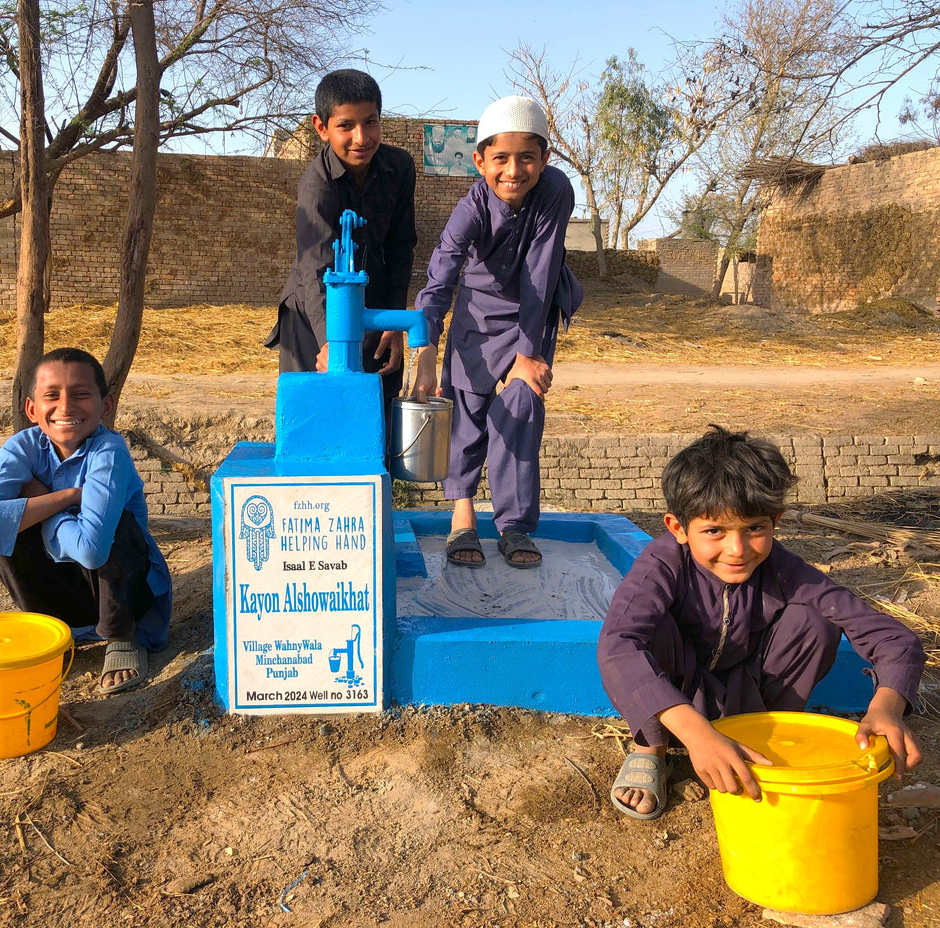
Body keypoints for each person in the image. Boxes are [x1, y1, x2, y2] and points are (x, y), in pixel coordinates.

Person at [597, 425, 925, 820]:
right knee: (647, 630)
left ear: (776, 521)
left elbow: (894, 639)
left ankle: (768, 735)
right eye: (714, 531)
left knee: (814, 620)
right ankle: (651, 749)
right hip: (679, 698)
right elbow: (618, 646)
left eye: (755, 528)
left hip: (748, 698)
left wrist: (887, 706)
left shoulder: (783, 569)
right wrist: (697, 734)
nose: (737, 550)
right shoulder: (663, 564)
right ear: (678, 528)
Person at [412, 95, 583, 570]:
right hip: (476, 319)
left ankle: (514, 525)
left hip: (533, 312)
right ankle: (462, 516)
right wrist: (424, 343)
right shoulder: (470, 207)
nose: (514, 170)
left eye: (527, 157)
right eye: (501, 159)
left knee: (520, 408)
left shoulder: (556, 192)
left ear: (545, 158)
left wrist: (528, 354)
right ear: (480, 162)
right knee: (466, 411)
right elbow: (441, 274)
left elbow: (541, 273)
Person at [0, 348, 172, 696]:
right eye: (51, 395)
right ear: (32, 409)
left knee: (113, 523)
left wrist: (45, 509)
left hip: (125, 592)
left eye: (80, 394)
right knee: (1, 529)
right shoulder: (23, 447)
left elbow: (91, 550)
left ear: (105, 406)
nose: (66, 406)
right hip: (69, 587)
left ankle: (122, 636)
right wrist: (69, 497)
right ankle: (55, 629)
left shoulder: (108, 451)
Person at [266, 68, 417, 412]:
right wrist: (329, 340)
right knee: (314, 411)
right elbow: (315, 268)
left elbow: (400, 247)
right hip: (311, 312)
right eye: (346, 125)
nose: (361, 137)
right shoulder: (317, 186)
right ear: (322, 128)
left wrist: (394, 321)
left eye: (370, 122)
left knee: (376, 406)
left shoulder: (400, 168)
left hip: (371, 301)